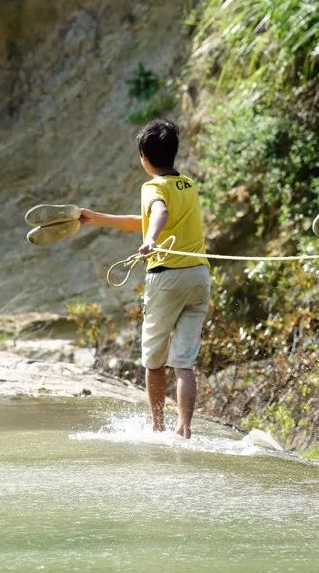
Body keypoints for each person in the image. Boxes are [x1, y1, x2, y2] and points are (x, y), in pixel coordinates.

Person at [78, 119, 211, 439]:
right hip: (198, 277)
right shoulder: (188, 185)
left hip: (167, 278)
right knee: (184, 362)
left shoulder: (152, 187)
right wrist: (97, 218)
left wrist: (151, 239)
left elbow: (159, 213)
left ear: (144, 158)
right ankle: (185, 429)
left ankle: (157, 427)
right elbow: (147, 218)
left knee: (154, 361)